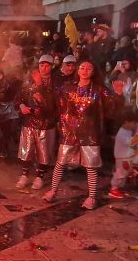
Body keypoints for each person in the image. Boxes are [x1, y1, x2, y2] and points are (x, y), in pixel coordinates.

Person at [44, 61, 124, 210]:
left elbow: (112, 108)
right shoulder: (67, 88)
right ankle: (52, 191)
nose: (85, 70)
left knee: (91, 167)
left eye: (89, 68)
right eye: (82, 67)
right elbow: (56, 104)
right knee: (60, 163)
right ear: (78, 70)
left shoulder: (99, 90)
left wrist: (119, 95)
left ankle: (91, 197)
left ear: (93, 72)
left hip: (90, 134)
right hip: (70, 132)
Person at [15, 55, 57, 192]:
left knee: (44, 152)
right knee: (27, 150)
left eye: (47, 65)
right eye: (41, 65)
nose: (44, 68)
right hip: (29, 121)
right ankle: (24, 175)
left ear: (51, 67)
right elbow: (18, 98)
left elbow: (52, 104)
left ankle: (40, 176)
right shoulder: (29, 81)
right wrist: (21, 106)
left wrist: (40, 86)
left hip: (46, 123)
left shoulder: (55, 83)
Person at [109, 109, 138, 199]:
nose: (134, 125)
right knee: (120, 173)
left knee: (124, 174)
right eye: (133, 123)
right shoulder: (121, 133)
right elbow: (129, 142)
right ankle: (114, 188)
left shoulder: (127, 131)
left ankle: (118, 188)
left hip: (127, 157)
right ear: (126, 122)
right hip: (122, 158)